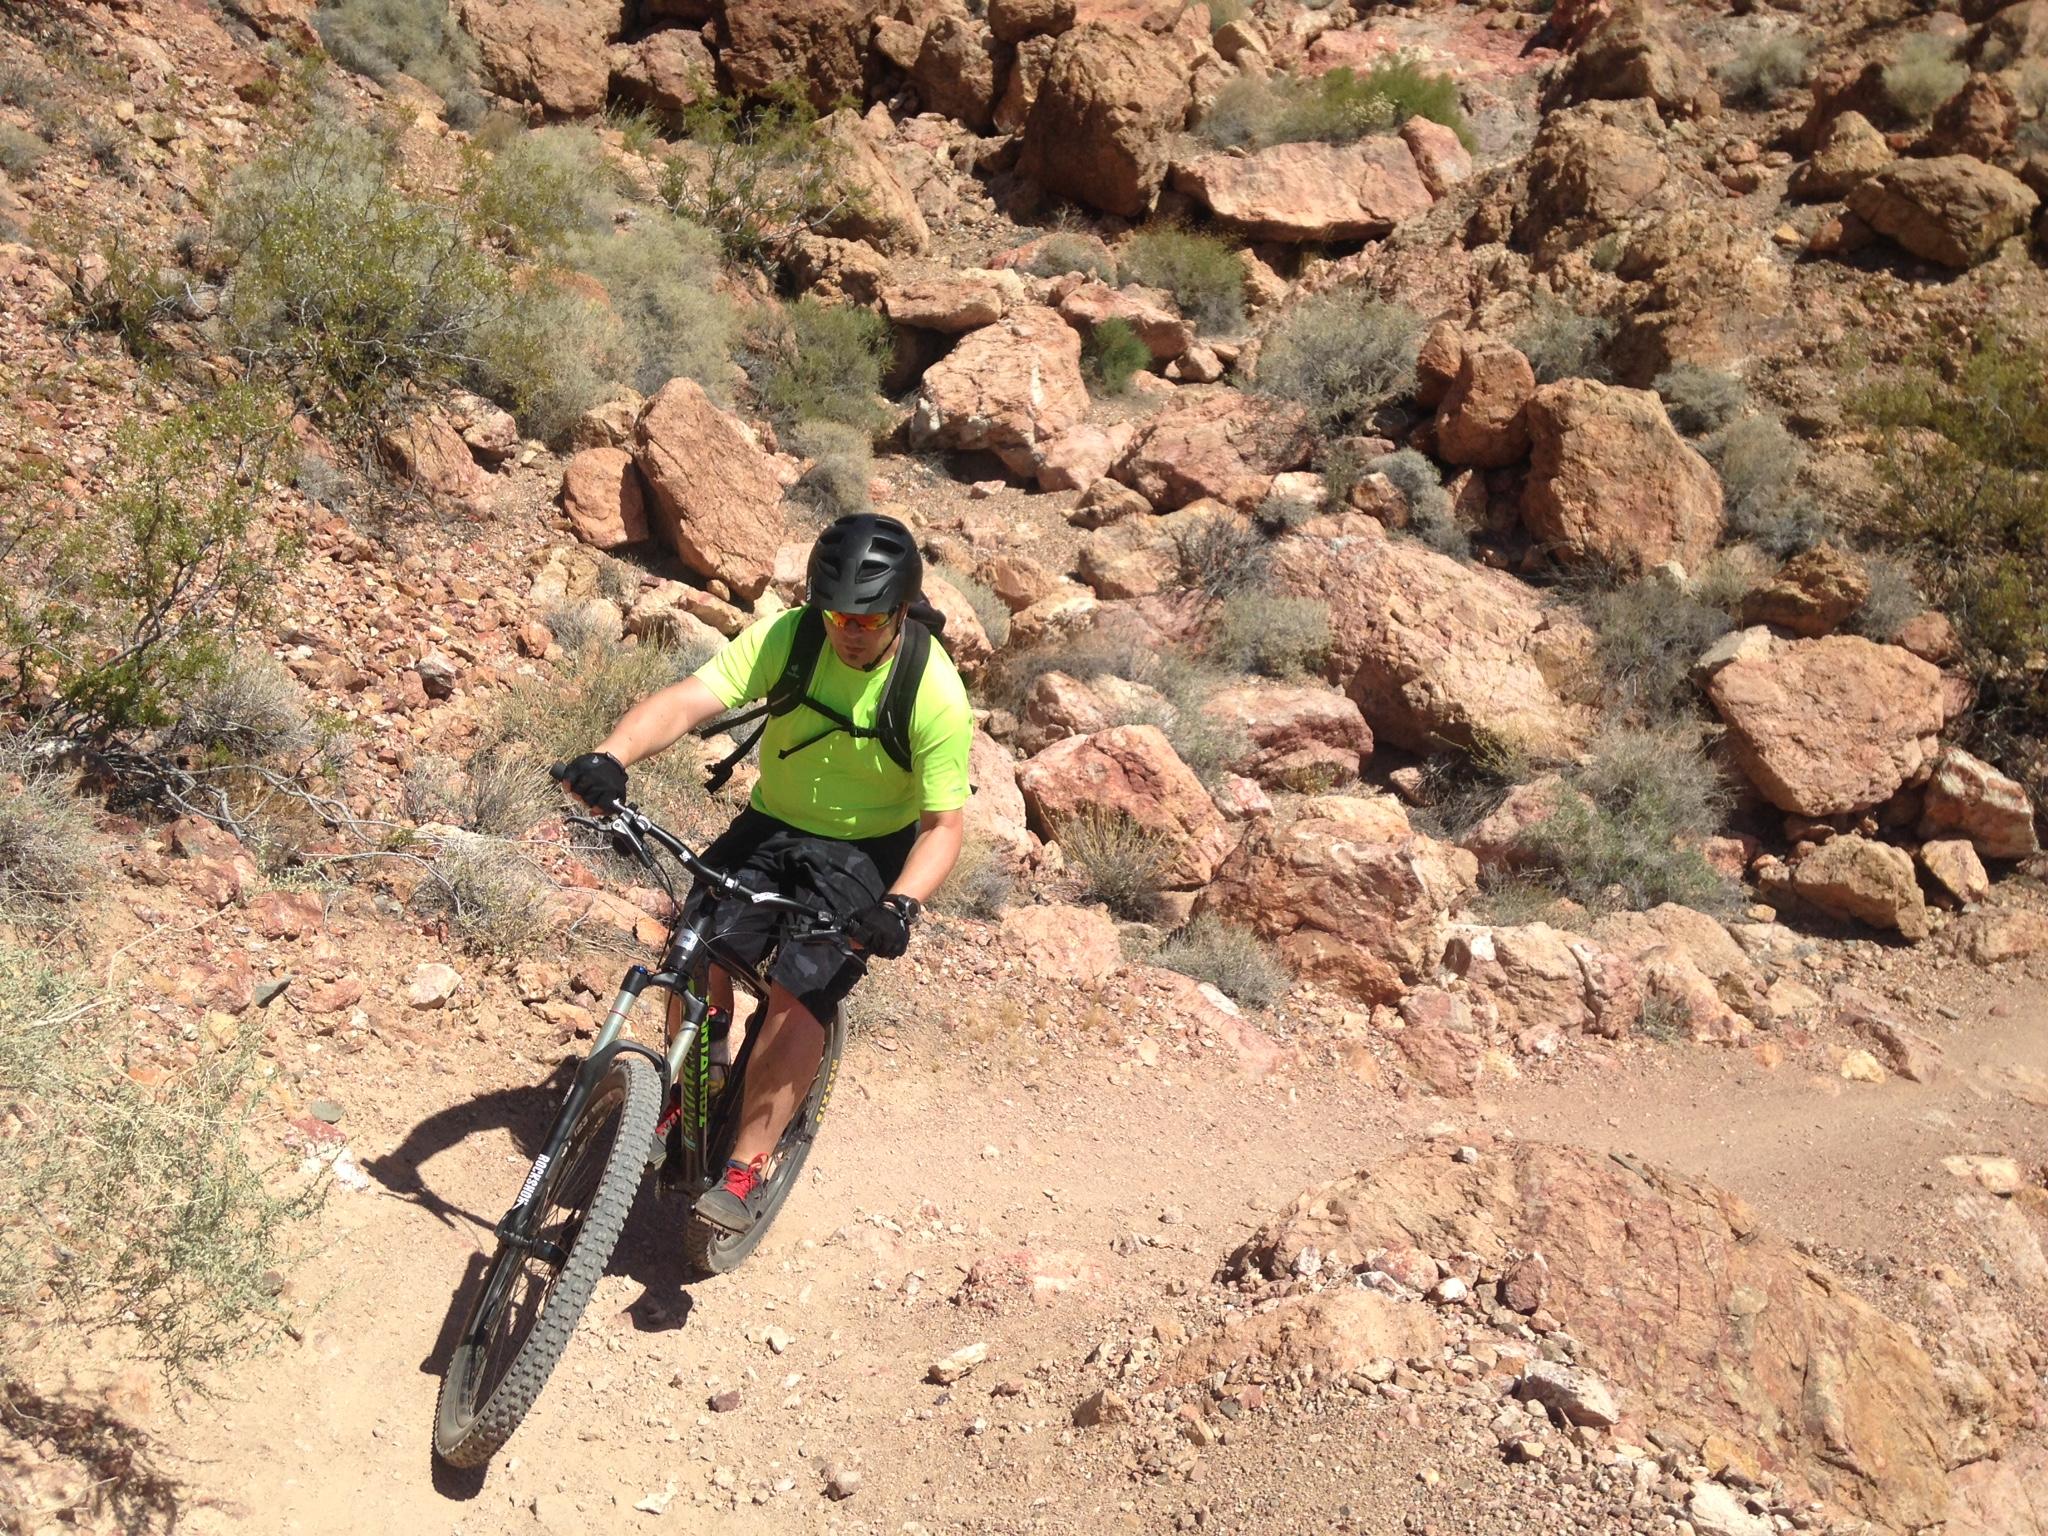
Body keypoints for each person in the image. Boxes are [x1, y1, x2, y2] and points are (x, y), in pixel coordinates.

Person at [555, 514, 972, 1237]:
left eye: (867, 619)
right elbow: (690, 700)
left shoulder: (933, 691)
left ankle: (747, 1165)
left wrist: (900, 905)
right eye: (836, 611)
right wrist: (612, 754)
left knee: (800, 991)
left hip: (865, 848)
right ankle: (696, 1072)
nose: (848, 630)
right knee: (695, 945)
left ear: (900, 612)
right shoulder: (795, 637)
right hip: (771, 823)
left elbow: (943, 828)